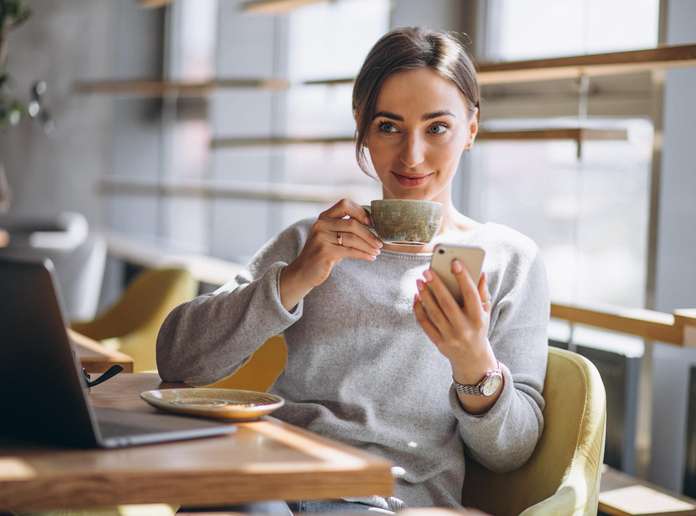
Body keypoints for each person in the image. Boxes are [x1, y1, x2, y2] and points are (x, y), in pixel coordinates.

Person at [157, 27, 549, 513]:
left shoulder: (508, 260)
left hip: (382, 501)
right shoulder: (314, 241)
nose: (412, 156)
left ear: (470, 129)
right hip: (270, 480)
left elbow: (512, 453)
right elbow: (177, 359)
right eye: (388, 126)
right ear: (362, 126)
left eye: (437, 127)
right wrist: (294, 279)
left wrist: (474, 366)